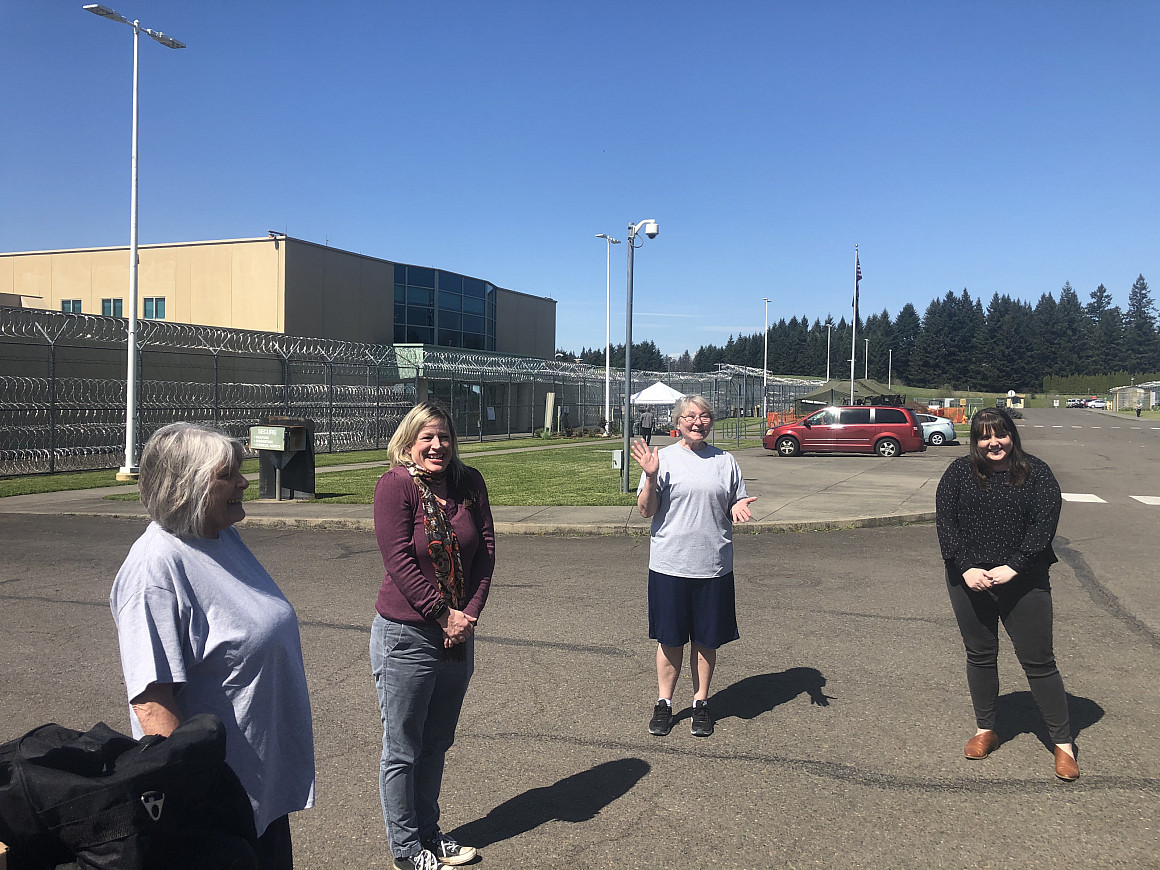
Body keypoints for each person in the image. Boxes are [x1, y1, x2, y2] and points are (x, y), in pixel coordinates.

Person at [110, 422, 316, 869]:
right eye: (228, 474)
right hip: (213, 807)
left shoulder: (220, 537)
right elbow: (152, 703)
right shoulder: (155, 572)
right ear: (186, 485)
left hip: (257, 789)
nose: (244, 481)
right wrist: (198, 804)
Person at [371, 402, 495, 870]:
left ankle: (428, 832)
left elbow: (485, 553)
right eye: (426, 437)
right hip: (407, 635)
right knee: (403, 747)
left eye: (443, 436)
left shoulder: (469, 483)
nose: (436, 446)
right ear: (408, 441)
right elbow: (398, 559)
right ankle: (406, 848)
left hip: (458, 633)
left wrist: (467, 616)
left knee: (437, 741)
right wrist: (443, 614)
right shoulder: (395, 486)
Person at [935, 407, 1078, 781]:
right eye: (984, 436)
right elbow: (945, 521)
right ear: (975, 441)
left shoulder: (1036, 472)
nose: (993, 442)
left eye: (1000, 434)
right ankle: (986, 730)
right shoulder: (958, 473)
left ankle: (1063, 744)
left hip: (1024, 580)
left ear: (1012, 435)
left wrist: (1014, 566)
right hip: (970, 580)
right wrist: (965, 567)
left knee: (1039, 661)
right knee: (980, 655)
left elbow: (1045, 523)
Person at [631, 395, 757, 738]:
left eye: (703, 416)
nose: (697, 422)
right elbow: (646, 510)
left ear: (711, 421)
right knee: (670, 640)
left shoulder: (725, 461)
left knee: (706, 641)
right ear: (678, 421)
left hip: (713, 565)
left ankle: (701, 703)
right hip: (670, 564)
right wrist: (651, 477)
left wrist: (738, 508)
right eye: (690, 416)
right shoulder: (663, 459)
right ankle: (664, 703)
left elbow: (733, 503)